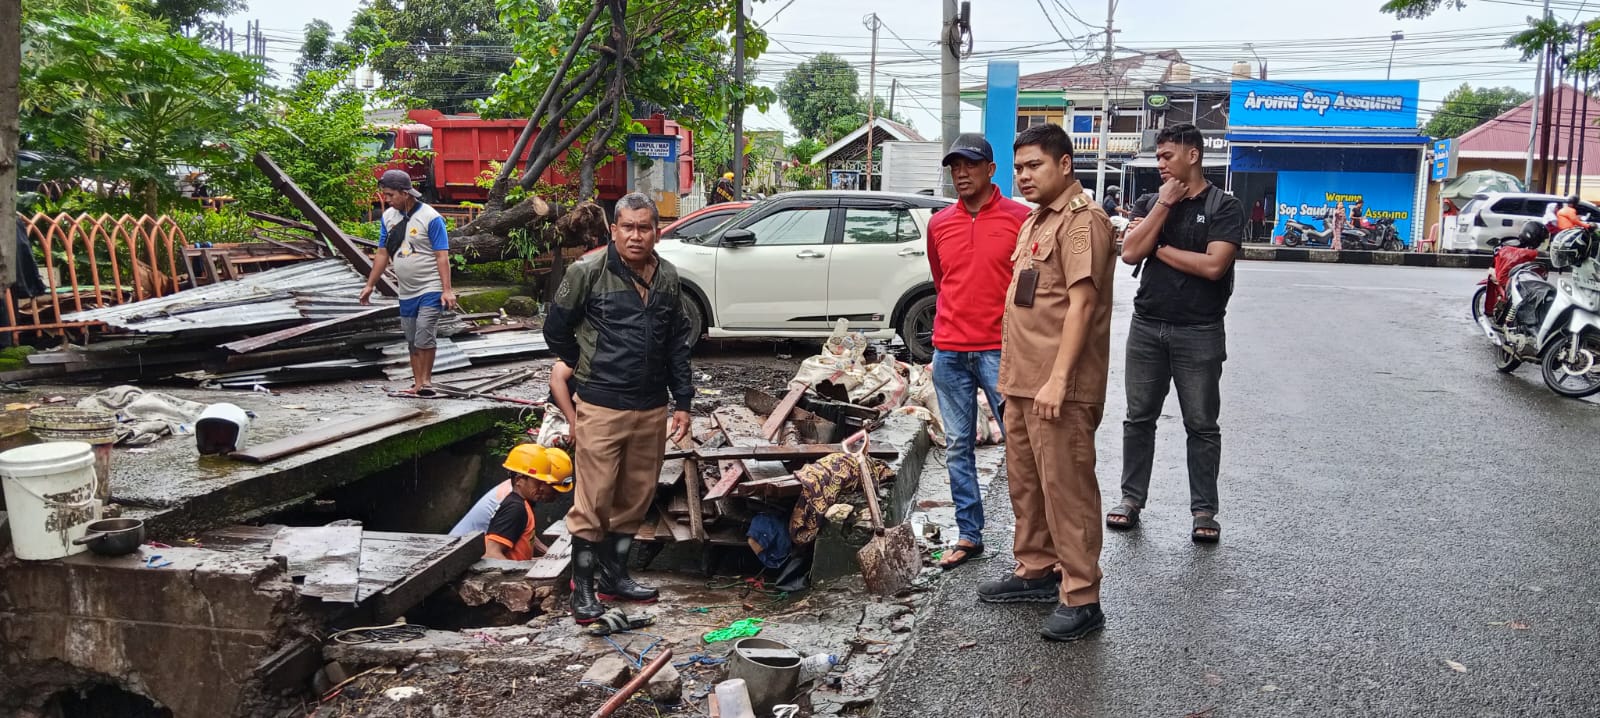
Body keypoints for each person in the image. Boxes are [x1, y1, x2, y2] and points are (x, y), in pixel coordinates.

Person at [976, 123, 1116, 643]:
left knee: (1067, 489)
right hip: (1022, 381)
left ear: (1065, 165)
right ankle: (1036, 569)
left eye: (1034, 166)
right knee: (1027, 485)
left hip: (1060, 386)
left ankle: (1082, 596)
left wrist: (1058, 381)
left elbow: (1082, 306)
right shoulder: (1036, 221)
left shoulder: (1084, 223)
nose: (1024, 176)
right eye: (1019, 168)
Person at [543, 192, 695, 624]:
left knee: (635, 496)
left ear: (657, 232)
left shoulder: (668, 277)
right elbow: (555, 329)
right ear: (613, 230)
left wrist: (682, 401)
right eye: (626, 227)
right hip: (602, 404)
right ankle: (584, 589)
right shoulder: (587, 271)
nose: (635, 235)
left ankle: (616, 575)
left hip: (650, 408)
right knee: (593, 499)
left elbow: (676, 345)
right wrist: (583, 365)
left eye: (643, 227)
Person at [1110, 123, 1244, 544]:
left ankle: (1204, 510)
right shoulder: (1152, 200)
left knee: (1202, 424)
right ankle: (1131, 500)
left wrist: (1160, 248)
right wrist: (1163, 206)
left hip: (1200, 330)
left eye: (1168, 156)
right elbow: (1130, 251)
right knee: (1138, 418)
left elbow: (1213, 266)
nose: (1160, 163)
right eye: (1159, 156)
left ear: (1193, 155)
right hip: (1148, 325)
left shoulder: (1225, 206)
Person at [925, 133, 1031, 570]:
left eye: (969, 165)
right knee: (956, 446)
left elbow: (1031, 286)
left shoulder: (1020, 219)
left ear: (991, 170)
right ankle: (970, 534)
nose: (961, 173)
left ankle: (1032, 543)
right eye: (954, 166)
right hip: (949, 350)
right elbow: (941, 279)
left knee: (1021, 446)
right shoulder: (939, 224)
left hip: (1000, 350)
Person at [360, 169, 458, 395]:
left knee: (425, 332)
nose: (386, 199)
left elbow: (441, 256)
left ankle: (427, 382)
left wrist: (447, 290)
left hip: (430, 286)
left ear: (405, 193)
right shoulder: (388, 218)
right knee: (412, 338)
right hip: (406, 291)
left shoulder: (431, 218)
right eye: (385, 194)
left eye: (390, 195)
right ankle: (417, 384)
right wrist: (370, 284)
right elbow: (383, 253)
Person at [476, 445, 573, 561]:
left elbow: (525, 534)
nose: (542, 488)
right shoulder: (515, 508)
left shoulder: (523, 504)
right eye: (537, 482)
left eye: (543, 482)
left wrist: (549, 555)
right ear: (519, 480)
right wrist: (515, 576)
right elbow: (491, 553)